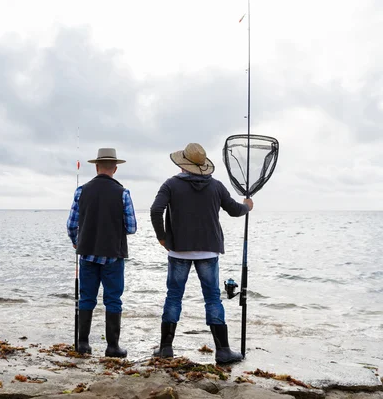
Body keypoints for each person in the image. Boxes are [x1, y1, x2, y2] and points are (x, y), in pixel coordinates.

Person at [150, 143, 253, 364]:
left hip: (179, 250)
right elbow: (235, 210)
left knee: (174, 297)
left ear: (183, 164)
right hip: (209, 249)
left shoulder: (170, 184)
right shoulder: (216, 186)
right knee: (213, 298)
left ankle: (166, 348)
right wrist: (247, 206)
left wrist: (162, 237)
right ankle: (223, 351)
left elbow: (156, 210)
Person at [67, 148, 137, 358]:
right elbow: (132, 227)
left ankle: (82, 344)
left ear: (96, 167)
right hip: (113, 254)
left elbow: (71, 224)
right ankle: (112, 347)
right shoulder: (123, 193)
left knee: (86, 298)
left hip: (87, 253)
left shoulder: (81, 191)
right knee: (113, 299)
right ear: (115, 169)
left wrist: (76, 242)